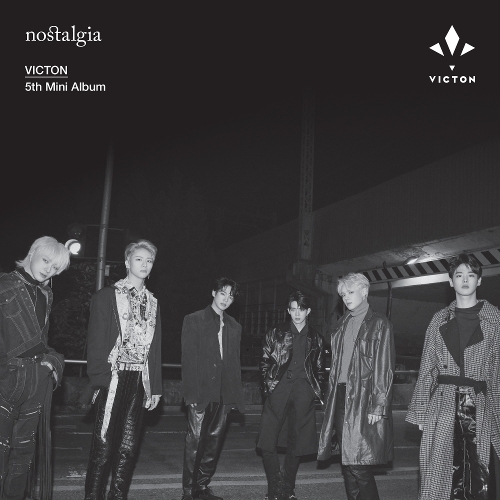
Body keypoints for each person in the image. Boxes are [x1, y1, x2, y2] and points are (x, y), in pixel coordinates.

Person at [406, 254, 500, 500]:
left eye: (471, 275)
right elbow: (427, 366)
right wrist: (421, 410)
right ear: (451, 281)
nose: (465, 280)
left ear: (479, 281)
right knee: (440, 475)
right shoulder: (438, 319)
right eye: (459, 275)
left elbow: (498, 371)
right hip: (444, 404)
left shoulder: (495, 320)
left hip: (479, 404)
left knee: (480, 476)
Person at [84, 239, 162, 500]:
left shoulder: (153, 302)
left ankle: (117, 496)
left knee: (128, 447)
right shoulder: (107, 296)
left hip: (139, 380)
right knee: (103, 446)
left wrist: (155, 388)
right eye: (139, 259)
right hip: (113, 377)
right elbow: (95, 341)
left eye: (149, 261)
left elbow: (155, 348)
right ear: (127, 262)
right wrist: (101, 379)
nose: (144, 264)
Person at [0, 236, 71, 500]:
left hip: (34, 380)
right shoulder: (4, 285)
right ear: (31, 253)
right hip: (6, 377)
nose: (49, 269)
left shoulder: (45, 294)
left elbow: (42, 342)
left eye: (55, 267)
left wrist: (51, 363)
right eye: (46, 260)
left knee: (23, 456)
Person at [318, 272, 395, 500]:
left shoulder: (379, 323)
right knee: (348, 461)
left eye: (350, 292)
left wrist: (378, 404)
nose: (346, 298)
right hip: (341, 395)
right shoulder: (342, 324)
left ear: (364, 292)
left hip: (364, 397)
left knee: (359, 464)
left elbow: (385, 366)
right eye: (343, 294)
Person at [180, 277, 245, 500]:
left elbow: (234, 363)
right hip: (201, 391)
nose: (226, 299)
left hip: (223, 392)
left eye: (230, 296)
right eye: (222, 293)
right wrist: (191, 393)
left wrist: (234, 396)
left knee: (214, 443)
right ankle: (188, 491)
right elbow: (188, 359)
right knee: (195, 441)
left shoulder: (235, 326)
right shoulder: (194, 320)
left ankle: (201, 487)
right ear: (213, 293)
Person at [257, 290, 324, 500]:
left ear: (308, 311)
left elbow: (319, 368)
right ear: (288, 310)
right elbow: (264, 362)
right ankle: (275, 487)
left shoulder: (316, 338)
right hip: (279, 390)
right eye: (293, 309)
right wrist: (269, 386)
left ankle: (288, 489)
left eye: (301, 309)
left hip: (303, 393)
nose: (297, 314)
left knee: (296, 443)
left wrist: (313, 391)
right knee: (267, 441)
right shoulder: (275, 333)